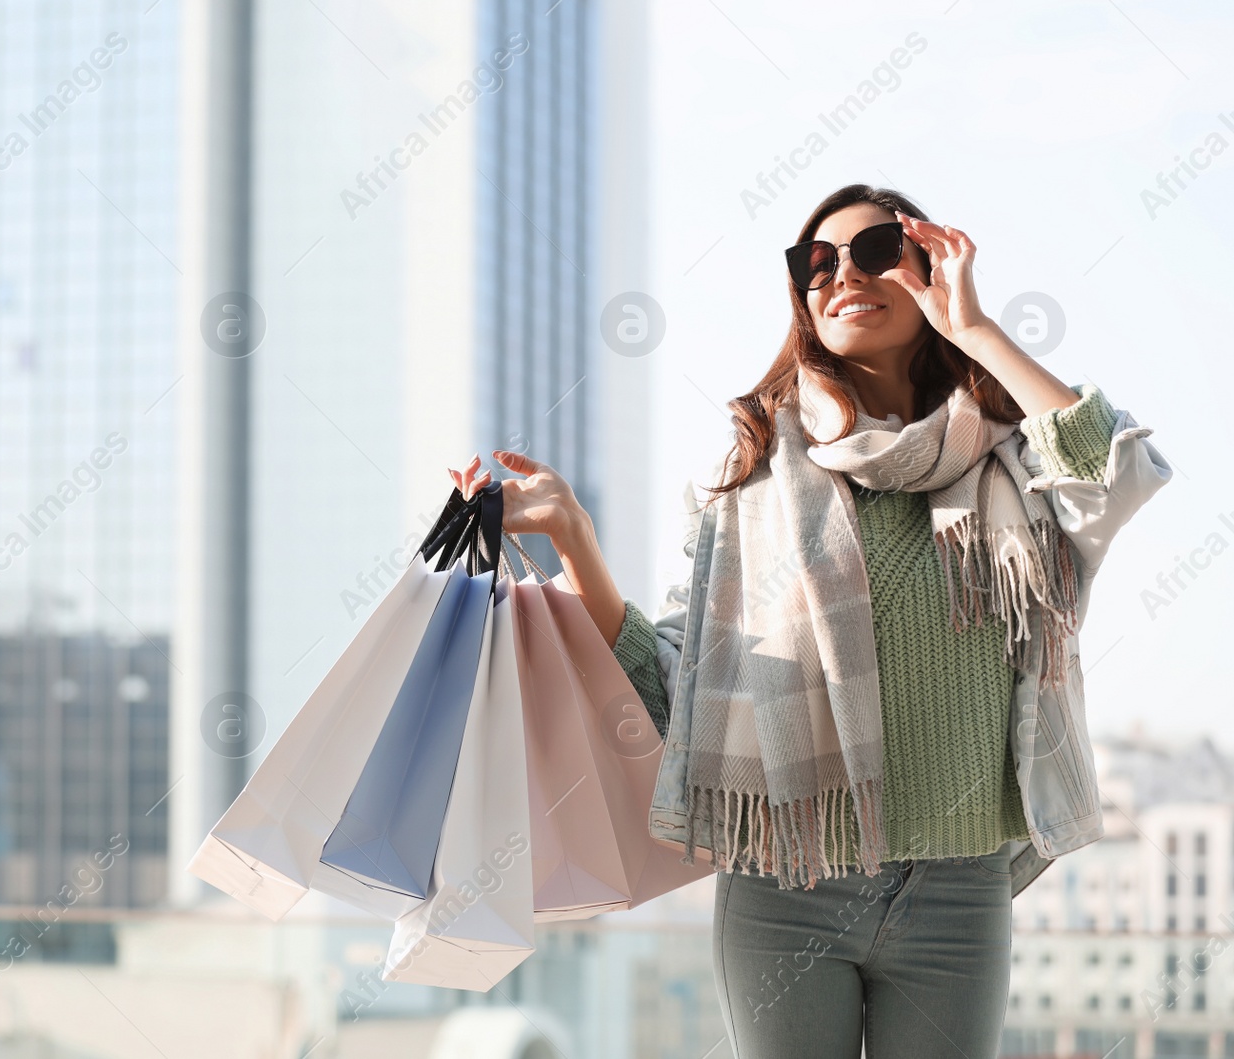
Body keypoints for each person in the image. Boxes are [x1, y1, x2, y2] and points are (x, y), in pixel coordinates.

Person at [447, 183, 1171, 1057]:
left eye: (874, 252)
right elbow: (679, 680)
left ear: (930, 268)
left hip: (959, 890)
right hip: (787, 887)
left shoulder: (1015, 464)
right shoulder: (753, 476)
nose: (839, 275)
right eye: (815, 262)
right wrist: (573, 533)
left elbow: (1116, 467)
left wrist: (975, 329)